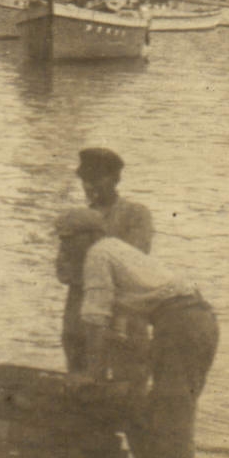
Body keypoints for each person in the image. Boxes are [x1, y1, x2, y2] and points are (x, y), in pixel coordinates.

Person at [54, 208, 219, 458]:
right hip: (191, 321)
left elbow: (95, 319)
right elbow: (123, 319)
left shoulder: (98, 254)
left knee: (173, 418)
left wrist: (92, 373)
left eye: (67, 240)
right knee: (161, 410)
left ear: (88, 237)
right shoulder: (116, 249)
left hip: (182, 322)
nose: (63, 248)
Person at [65, 148, 154, 373]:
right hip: (81, 317)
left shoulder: (136, 214)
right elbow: (64, 272)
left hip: (124, 316)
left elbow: (134, 260)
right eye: (85, 180)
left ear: (115, 179)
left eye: (96, 179)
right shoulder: (76, 221)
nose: (89, 186)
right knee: (79, 386)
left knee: (129, 382)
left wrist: (95, 230)